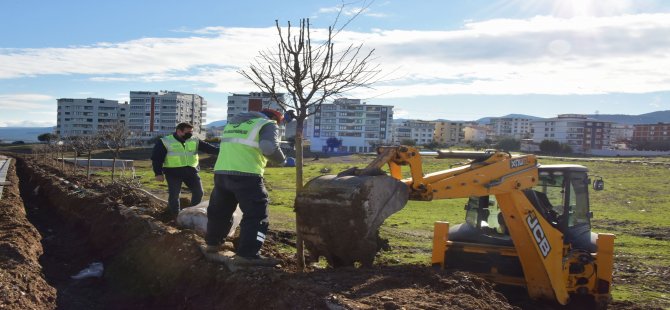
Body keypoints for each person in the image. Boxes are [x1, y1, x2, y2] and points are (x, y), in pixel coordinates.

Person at [203, 108, 287, 266]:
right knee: (257, 215)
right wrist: (282, 161)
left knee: (219, 211)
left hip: (222, 173)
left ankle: (213, 244)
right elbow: (268, 147)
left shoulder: (233, 125)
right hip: (247, 175)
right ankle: (248, 254)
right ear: (275, 118)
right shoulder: (268, 124)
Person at [151, 122, 219, 217]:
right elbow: (157, 158)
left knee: (199, 192)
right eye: (188, 132)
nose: (190, 134)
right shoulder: (165, 141)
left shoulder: (194, 140)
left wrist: (224, 150)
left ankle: (191, 214)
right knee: (174, 196)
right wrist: (158, 173)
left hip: (191, 172)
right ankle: (175, 216)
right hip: (173, 173)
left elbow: (210, 149)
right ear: (179, 131)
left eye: (191, 131)